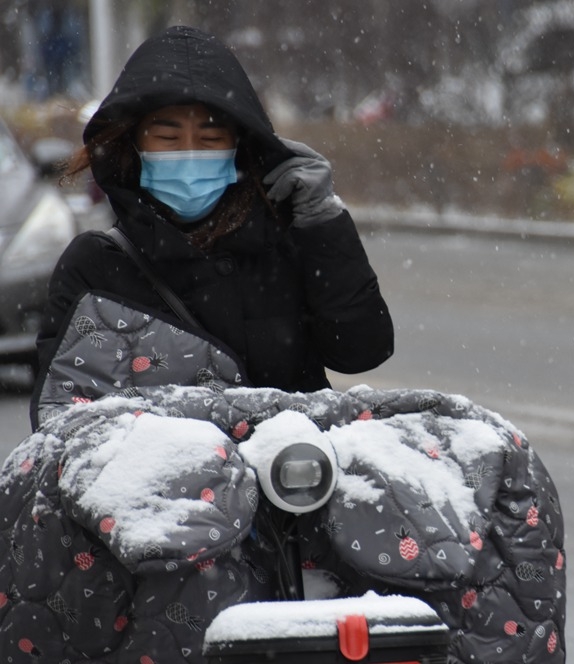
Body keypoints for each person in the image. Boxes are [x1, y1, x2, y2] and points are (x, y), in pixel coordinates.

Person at [31, 25, 393, 428]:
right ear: (131, 146)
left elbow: (362, 350)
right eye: (167, 137)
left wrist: (323, 221)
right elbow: (62, 418)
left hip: (291, 481)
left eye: (210, 137)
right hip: (156, 486)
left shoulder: (285, 242)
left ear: (240, 148)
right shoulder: (96, 263)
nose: (188, 154)